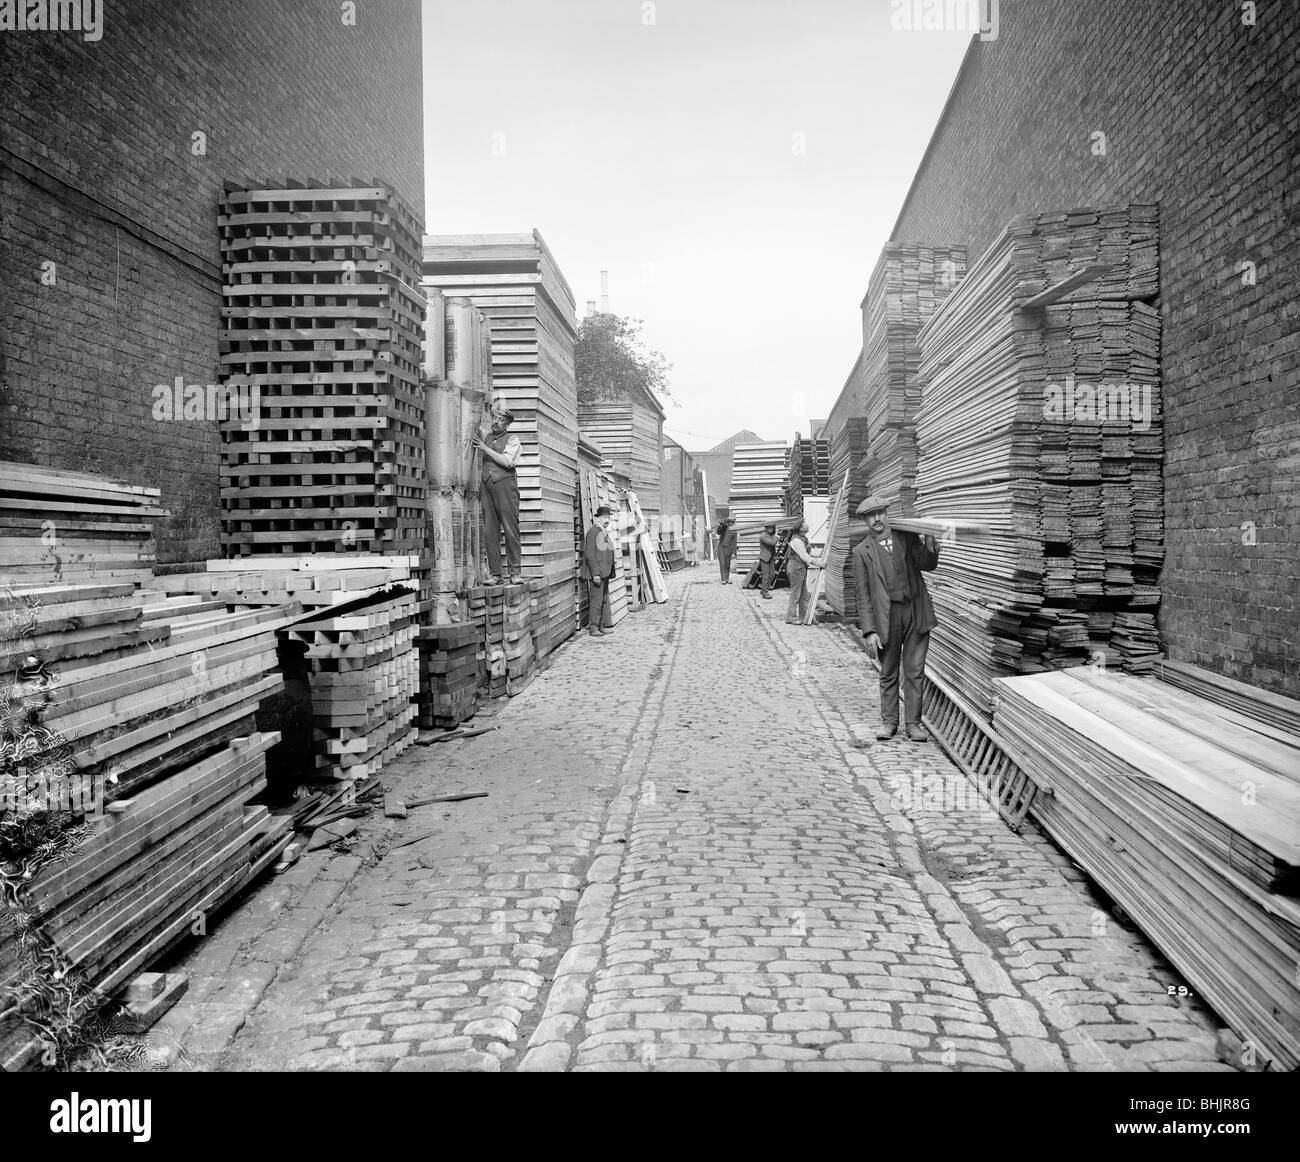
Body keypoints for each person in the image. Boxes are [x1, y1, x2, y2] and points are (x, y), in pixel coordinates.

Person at [851, 494, 940, 743]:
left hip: (915, 613)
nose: (877, 518)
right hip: (885, 619)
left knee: (915, 671)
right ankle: (889, 722)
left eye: (880, 512)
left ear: (887, 514)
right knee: (889, 672)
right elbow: (862, 594)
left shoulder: (906, 537)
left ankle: (913, 724)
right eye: (871, 515)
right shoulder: (861, 552)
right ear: (865, 520)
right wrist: (869, 630)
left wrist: (931, 540)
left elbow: (927, 564)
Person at [474, 406, 523, 584]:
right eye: (494, 418)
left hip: (505, 486)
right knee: (490, 531)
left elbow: (508, 462)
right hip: (486, 486)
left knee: (510, 529)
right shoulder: (486, 435)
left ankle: (515, 573)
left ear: (507, 424)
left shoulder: (513, 439)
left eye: (501, 420)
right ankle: (496, 574)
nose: (496, 422)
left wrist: (484, 449)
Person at [580, 504, 616, 639]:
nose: (607, 520)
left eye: (608, 517)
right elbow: (590, 554)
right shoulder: (593, 532)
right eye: (605, 517)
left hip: (605, 573)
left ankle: (601, 626)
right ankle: (593, 627)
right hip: (598, 574)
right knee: (596, 601)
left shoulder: (603, 532)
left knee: (603, 600)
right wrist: (595, 573)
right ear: (598, 519)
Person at [784, 518, 820, 623]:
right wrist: (818, 563)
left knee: (804, 595)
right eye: (804, 524)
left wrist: (820, 554)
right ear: (800, 529)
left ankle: (805, 617)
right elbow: (804, 556)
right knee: (795, 594)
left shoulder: (803, 538)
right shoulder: (796, 540)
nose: (807, 525)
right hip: (796, 569)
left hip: (801, 568)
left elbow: (807, 553)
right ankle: (790, 617)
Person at [758, 523, 778, 600]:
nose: (771, 529)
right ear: (766, 528)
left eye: (772, 528)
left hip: (771, 557)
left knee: (772, 575)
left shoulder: (770, 535)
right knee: (765, 576)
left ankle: (764, 589)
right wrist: (777, 536)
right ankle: (765, 592)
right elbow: (772, 543)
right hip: (764, 557)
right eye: (770, 528)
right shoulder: (763, 536)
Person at [716, 517, 738, 584]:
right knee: (722, 563)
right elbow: (718, 532)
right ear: (728, 522)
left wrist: (734, 553)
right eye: (730, 522)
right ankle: (723, 579)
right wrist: (721, 525)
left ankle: (727, 578)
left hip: (728, 549)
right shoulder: (724, 528)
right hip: (721, 548)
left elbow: (734, 542)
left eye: (732, 522)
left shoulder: (734, 531)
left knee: (727, 564)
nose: (731, 524)